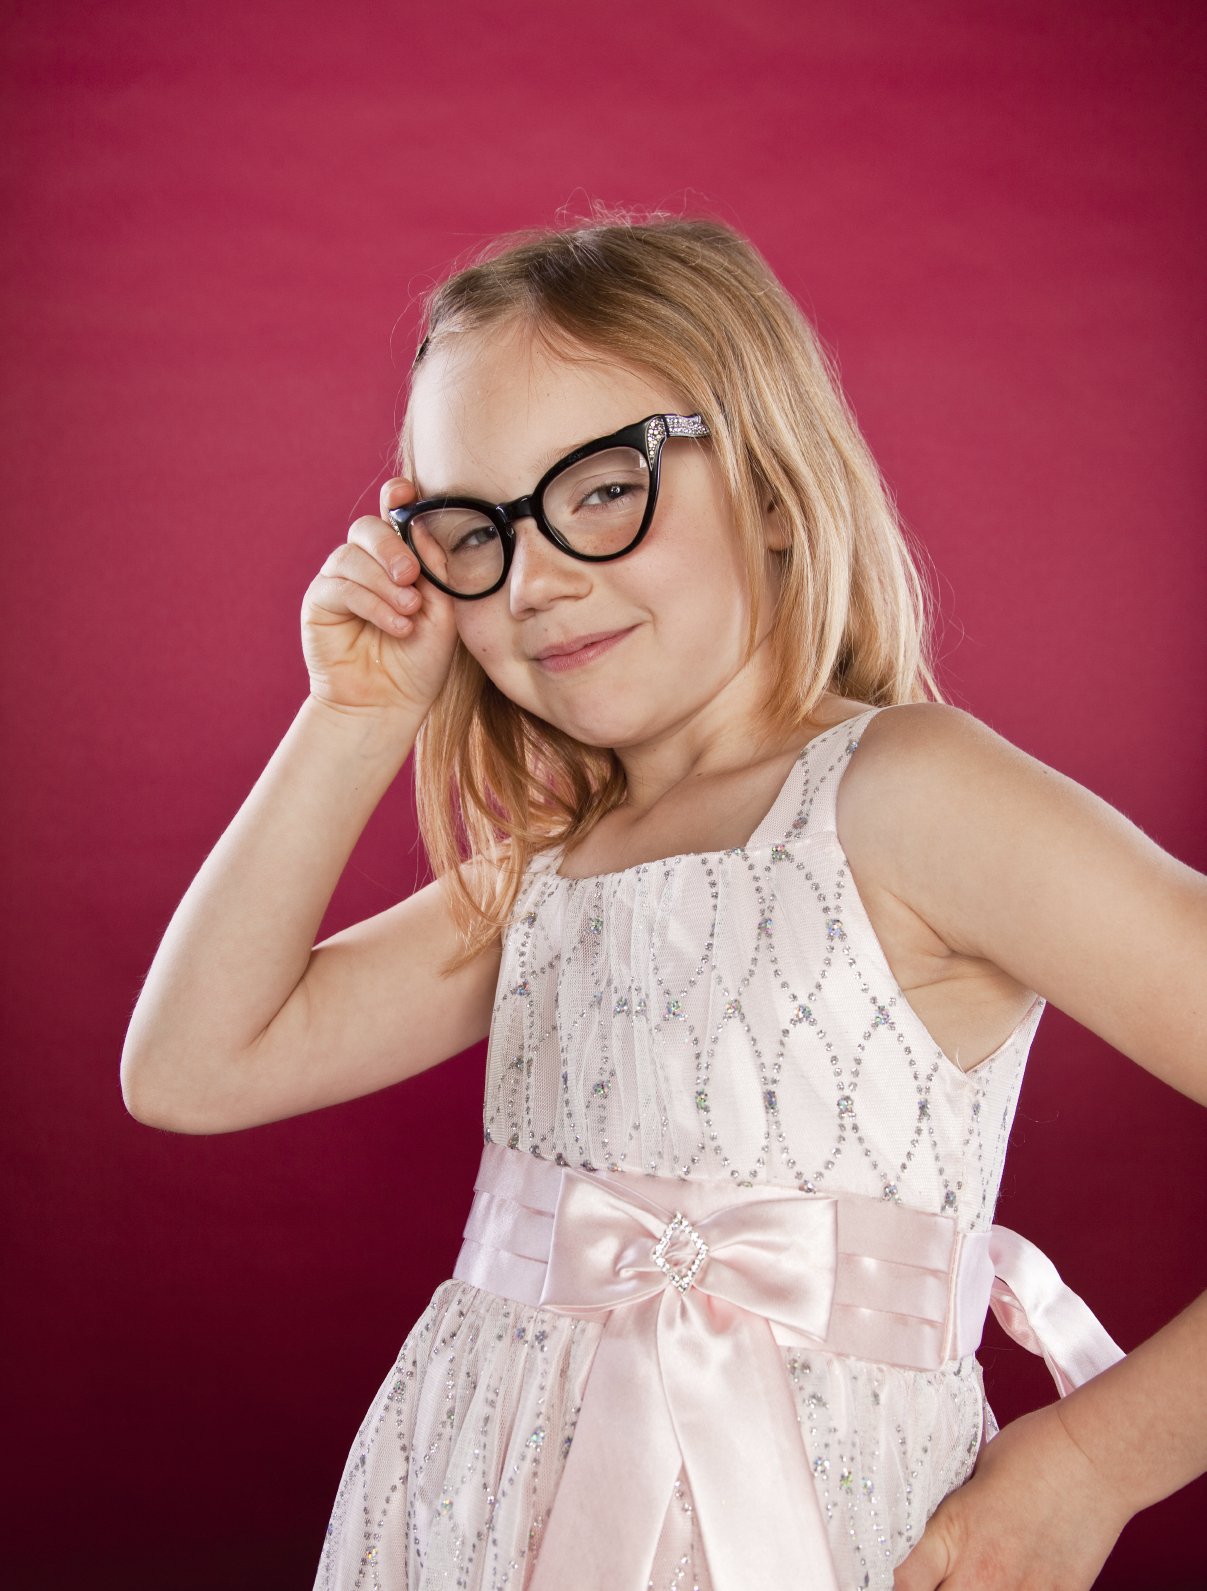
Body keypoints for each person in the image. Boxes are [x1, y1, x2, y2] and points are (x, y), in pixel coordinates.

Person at [121, 216, 1207, 1591]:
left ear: (764, 485)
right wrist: (352, 715)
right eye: (473, 527)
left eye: (595, 491)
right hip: (464, 1525)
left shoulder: (913, 795)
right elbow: (192, 1067)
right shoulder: (552, 867)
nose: (533, 579)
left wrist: (1095, 1462)